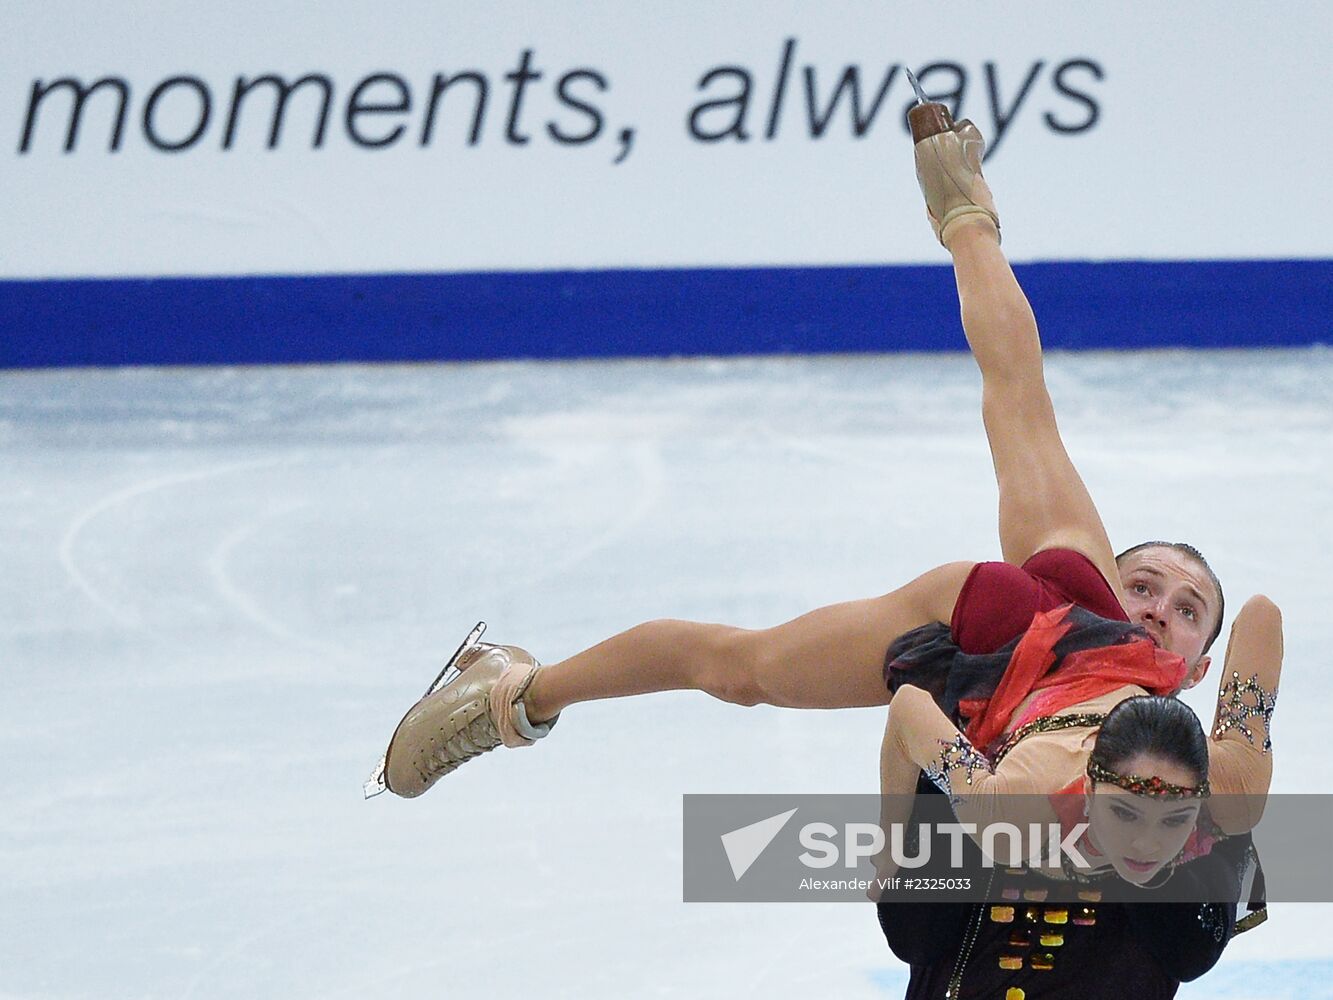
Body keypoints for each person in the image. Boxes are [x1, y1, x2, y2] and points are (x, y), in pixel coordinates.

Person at [369, 110, 1279, 819]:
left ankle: (964, 215)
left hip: (1022, 714)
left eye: (1185, 609)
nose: (1157, 606)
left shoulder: (1189, 759)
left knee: (741, 672)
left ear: (1196, 668)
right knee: (748, 662)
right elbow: (1017, 391)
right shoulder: (1088, 611)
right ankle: (516, 696)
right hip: (1019, 622)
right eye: (1148, 586)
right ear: (1111, 590)